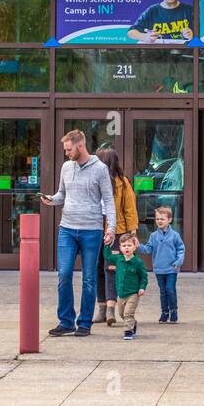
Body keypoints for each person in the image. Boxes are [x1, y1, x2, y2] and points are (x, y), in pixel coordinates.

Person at [40, 130, 116, 336]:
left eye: (68, 149)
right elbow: (62, 195)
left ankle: (84, 323)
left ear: (80, 145)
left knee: (89, 278)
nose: (66, 153)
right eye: (65, 150)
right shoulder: (66, 167)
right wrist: (51, 199)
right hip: (67, 229)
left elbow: (109, 200)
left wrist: (111, 229)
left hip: (92, 230)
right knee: (64, 274)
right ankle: (65, 322)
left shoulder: (100, 169)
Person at [95, 148, 138, 326]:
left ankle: (111, 309)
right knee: (97, 268)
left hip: (117, 230)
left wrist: (132, 232)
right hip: (95, 229)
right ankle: (102, 309)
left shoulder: (123, 183)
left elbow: (129, 208)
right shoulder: (94, 180)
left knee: (110, 268)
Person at [138, 206, 185, 323]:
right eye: (157, 219)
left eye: (162, 219)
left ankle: (174, 311)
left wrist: (178, 261)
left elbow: (181, 249)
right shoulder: (153, 236)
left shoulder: (175, 235)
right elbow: (148, 249)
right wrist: (138, 246)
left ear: (169, 220)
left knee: (170, 289)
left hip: (171, 268)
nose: (159, 221)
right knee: (163, 291)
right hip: (159, 269)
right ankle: (164, 312)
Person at [102, 233, 147, 339]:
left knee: (128, 313)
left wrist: (142, 287)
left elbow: (144, 277)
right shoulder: (118, 259)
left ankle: (128, 332)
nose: (127, 248)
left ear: (135, 247)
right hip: (121, 294)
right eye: (124, 246)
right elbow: (107, 256)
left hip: (133, 293)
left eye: (129, 245)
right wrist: (107, 245)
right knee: (122, 314)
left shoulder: (137, 262)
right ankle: (133, 323)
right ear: (120, 248)